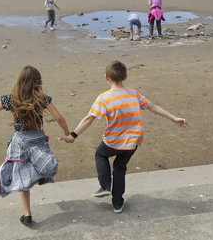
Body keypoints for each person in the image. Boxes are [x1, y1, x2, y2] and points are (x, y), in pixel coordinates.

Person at [59, 61, 188, 213]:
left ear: (106, 77)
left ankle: (105, 185)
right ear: (125, 77)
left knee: (100, 154)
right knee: (120, 168)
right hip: (133, 142)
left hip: (113, 141)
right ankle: (118, 203)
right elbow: (152, 107)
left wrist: (73, 135)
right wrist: (173, 118)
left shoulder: (104, 98)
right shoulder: (134, 94)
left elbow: (89, 118)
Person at [0, 66, 70, 226]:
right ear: (38, 83)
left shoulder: (12, 98)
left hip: (20, 141)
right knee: (41, 162)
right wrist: (68, 133)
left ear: (19, 81)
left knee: (21, 173)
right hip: (38, 138)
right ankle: (41, 177)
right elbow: (59, 118)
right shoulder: (42, 99)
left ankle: (27, 213)